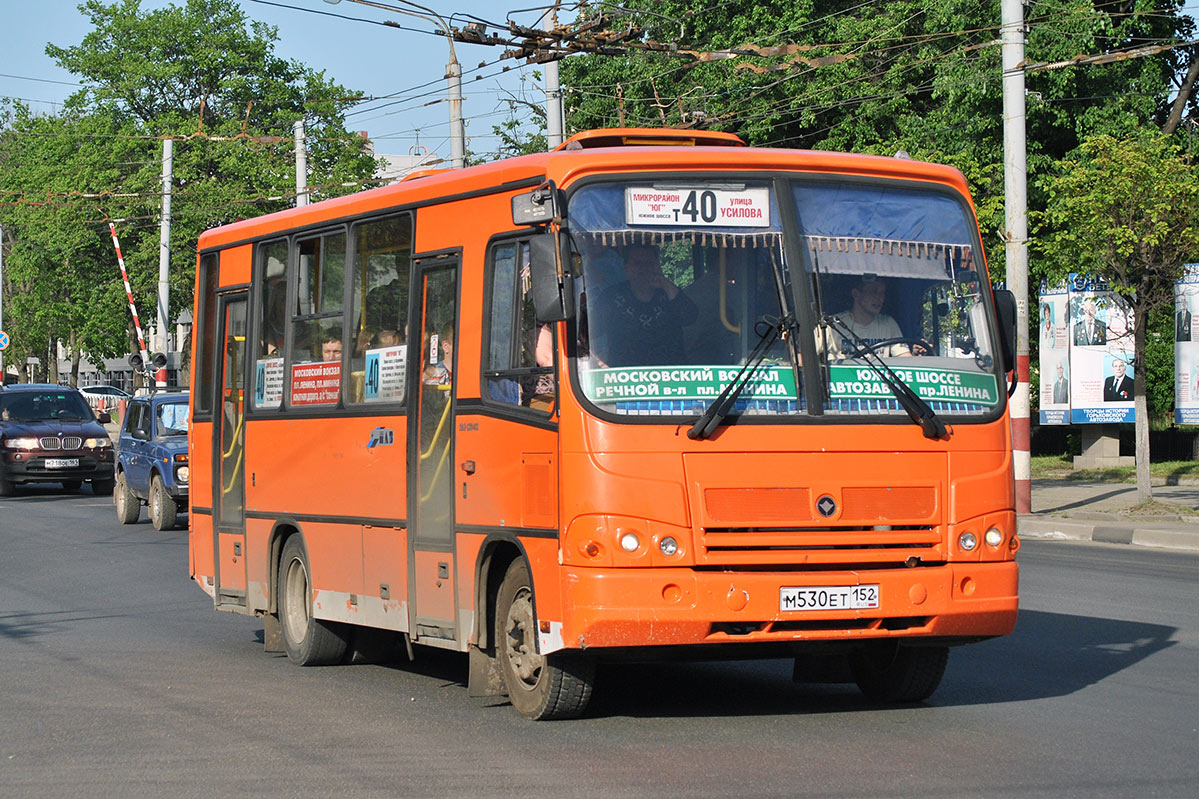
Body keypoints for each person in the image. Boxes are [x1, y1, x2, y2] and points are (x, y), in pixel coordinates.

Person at [591, 244, 698, 367]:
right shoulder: (611, 297)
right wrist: (598, 362)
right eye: (637, 263)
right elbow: (587, 334)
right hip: (625, 378)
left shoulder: (669, 294)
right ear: (626, 267)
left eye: (649, 263)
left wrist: (665, 282)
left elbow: (690, 317)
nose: (644, 268)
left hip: (671, 377)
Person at [825, 275, 917, 358]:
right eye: (873, 292)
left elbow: (904, 357)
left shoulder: (888, 324)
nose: (879, 298)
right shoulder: (832, 325)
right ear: (856, 294)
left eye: (882, 293)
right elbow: (811, 355)